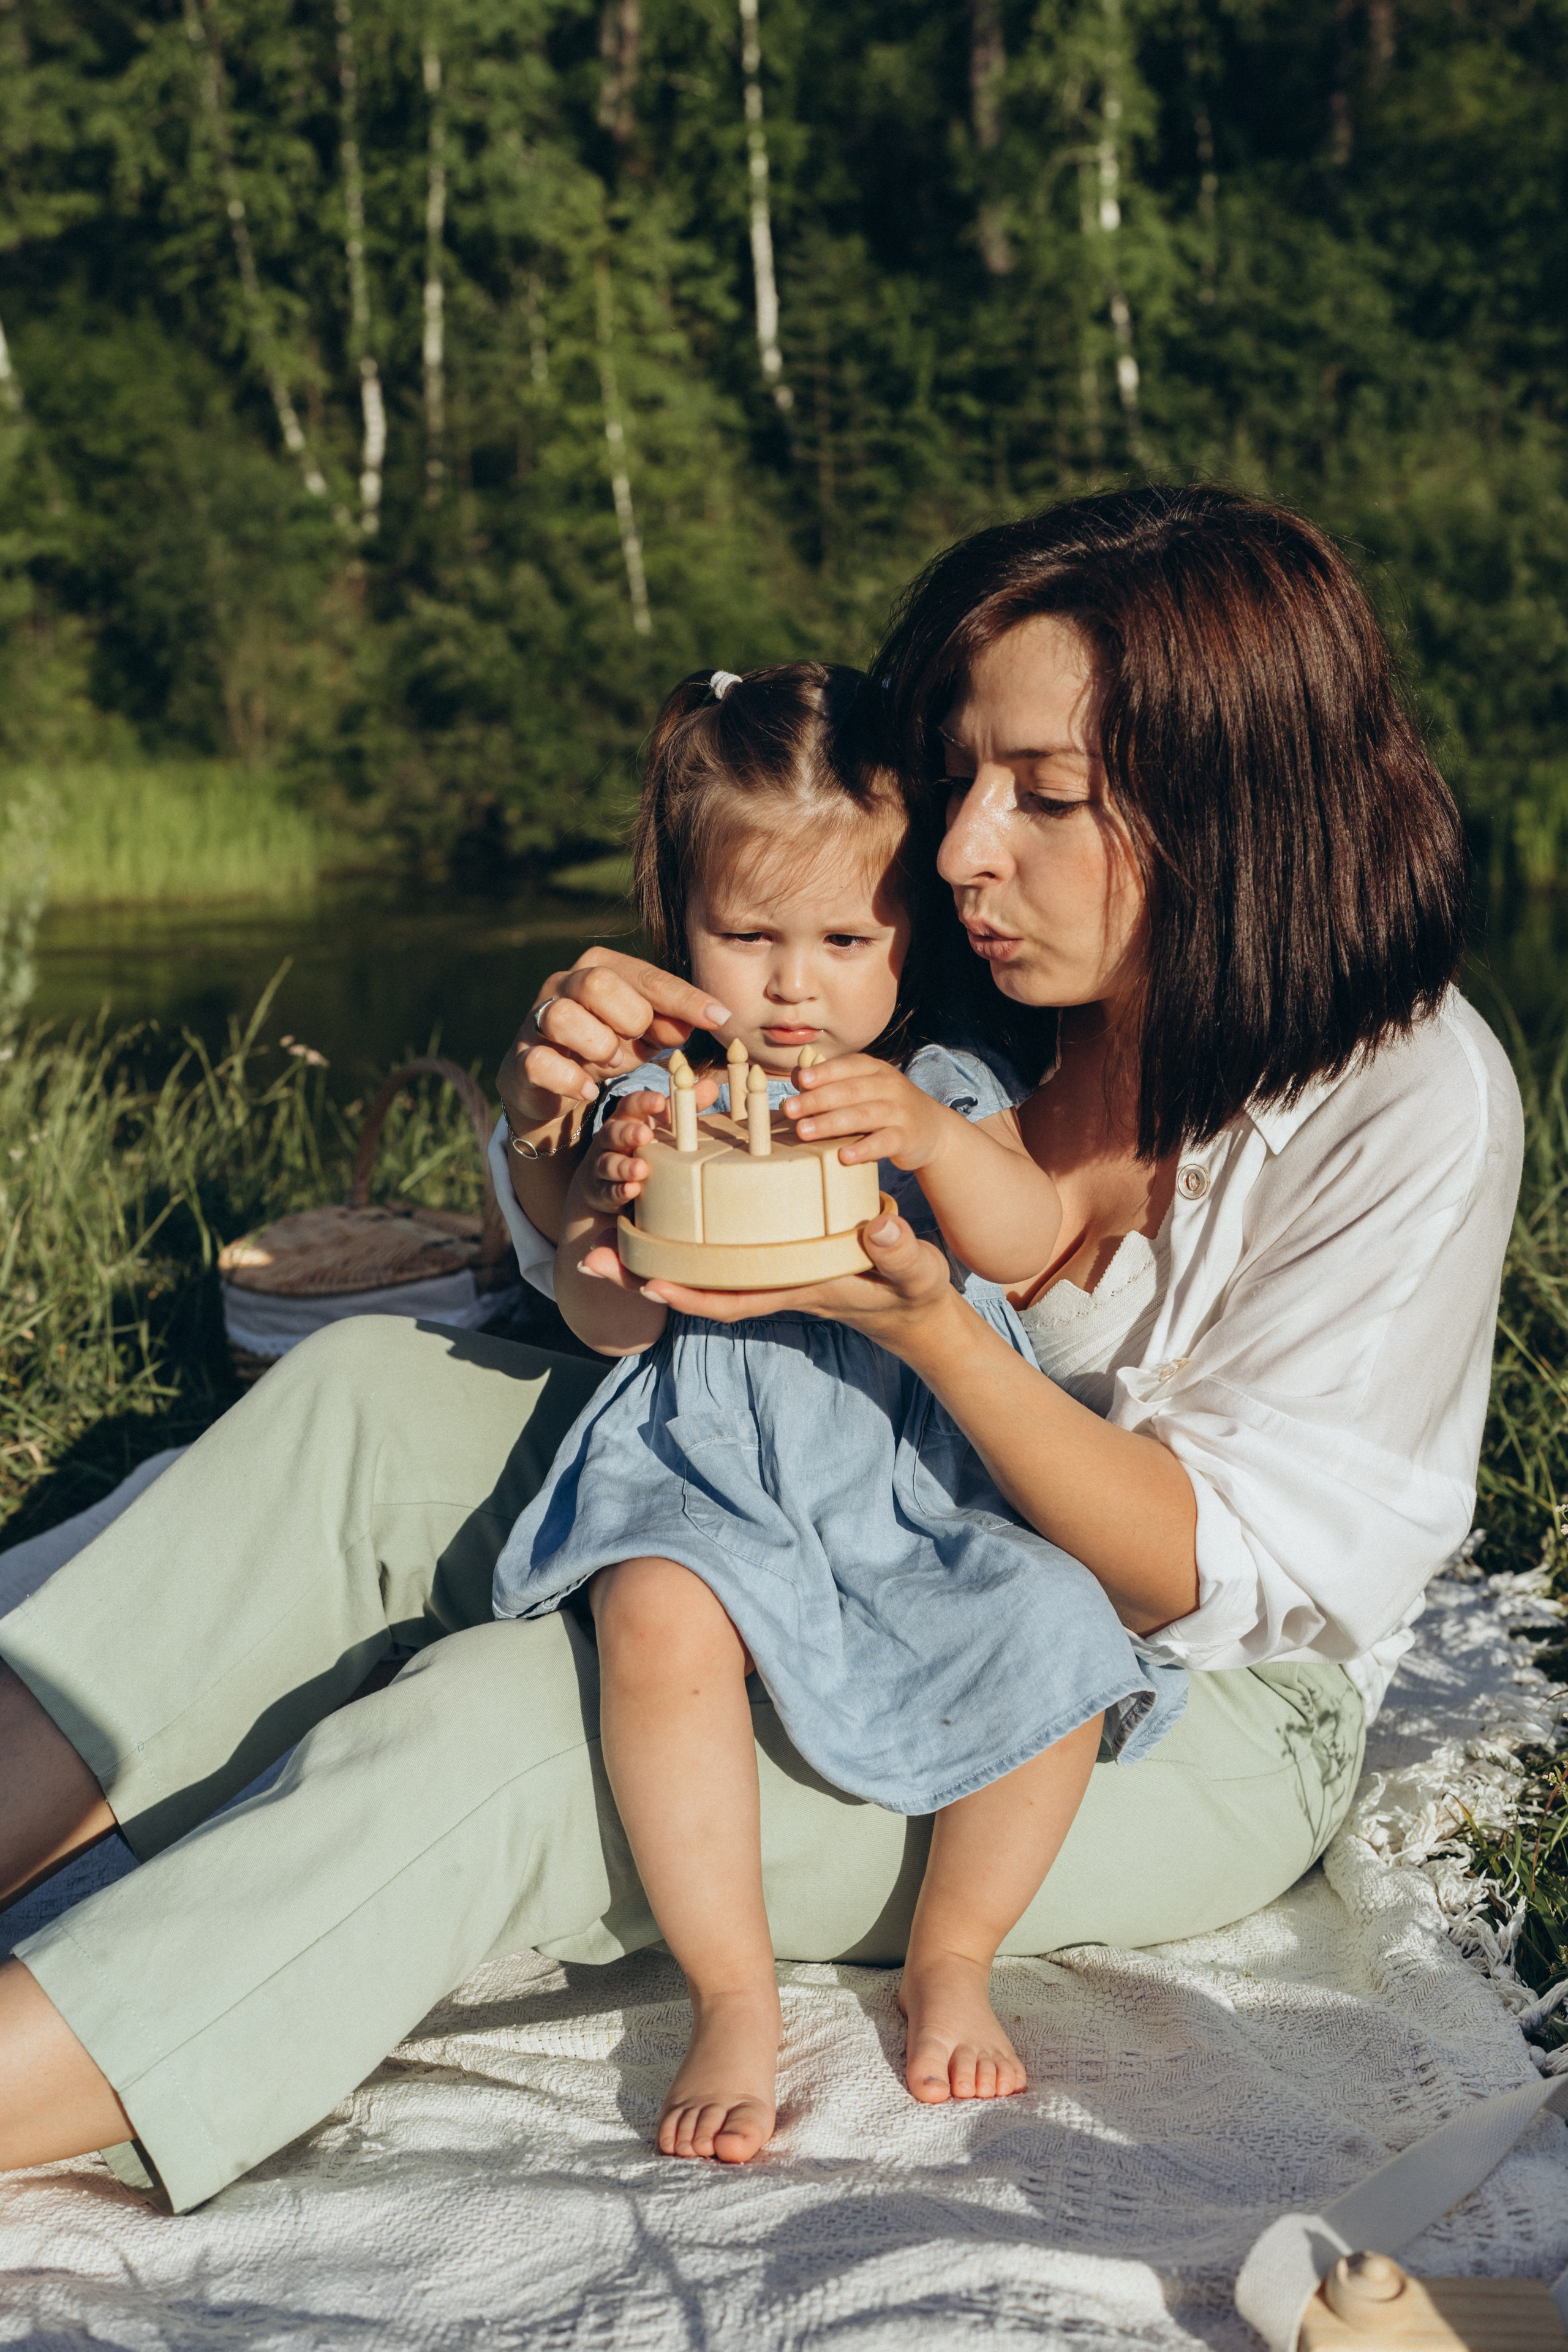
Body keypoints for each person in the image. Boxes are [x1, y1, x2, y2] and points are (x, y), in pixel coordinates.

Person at [0, 485, 1520, 2219]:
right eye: (962, 780)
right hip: (838, 1483)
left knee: (522, 1721)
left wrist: (941, 1335)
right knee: (351, 1407)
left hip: (1162, 1697)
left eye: (1046, 797)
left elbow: (1199, 1567)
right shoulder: (963, 974)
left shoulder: (1409, 1095)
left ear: (1242, 807)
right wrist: (559, 1141)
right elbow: (639, 1255)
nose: (960, 852)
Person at [500, 658, 1186, 2163]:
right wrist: (601, 1233)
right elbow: (603, 1317)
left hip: (907, 1467)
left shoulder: (931, 1081)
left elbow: (1013, 1243)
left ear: (908, 937)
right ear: (682, 930)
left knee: (1055, 1619)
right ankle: (730, 1989)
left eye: (839, 937)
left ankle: (953, 1952)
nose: (791, 982)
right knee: (656, 1614)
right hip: (711, 1461)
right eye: (746, 935)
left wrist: (933, 1141)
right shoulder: (658, 1101)